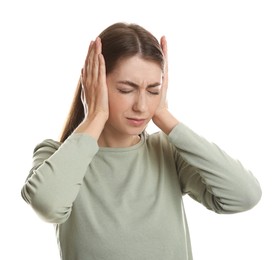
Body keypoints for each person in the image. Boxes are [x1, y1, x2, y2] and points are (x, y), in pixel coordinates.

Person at [21, 22, 262, 260]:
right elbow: (48, 204)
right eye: (127, 89)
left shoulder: (167, 151)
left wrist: (164, 116)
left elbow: (244, 195)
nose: (142, 106)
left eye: (153, 90)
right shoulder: (55, 155)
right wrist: (95, 115)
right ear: (95, 85)